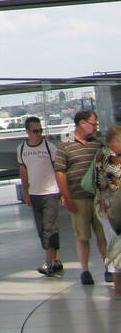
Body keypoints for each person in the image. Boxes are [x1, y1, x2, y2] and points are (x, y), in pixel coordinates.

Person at [55, 109, 110, 285]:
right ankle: (85, 270)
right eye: (93, 123)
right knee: (82, 235)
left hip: (98, 197)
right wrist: (66, 196)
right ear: (82, 123)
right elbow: (60, 172)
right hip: (78, 197)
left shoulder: (97, 143)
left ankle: (108, 267)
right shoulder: (65, 145)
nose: (95, 127)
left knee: (103, 235)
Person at [17, 116, 63, 276]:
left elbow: (58, 170)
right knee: (42, 229)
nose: (39, 134)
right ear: (28, 132)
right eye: (35, 131)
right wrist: (26, 193)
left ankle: (48, 263)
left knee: (50, 228)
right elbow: (23, 172)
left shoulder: (49, 147)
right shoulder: (22, 149)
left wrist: (62, 192)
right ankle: (56, 259)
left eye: (40, 130)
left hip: (51, 192)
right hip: (35, 193)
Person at [92, 125, 121, 298]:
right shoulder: (109, 156)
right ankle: (117, 286)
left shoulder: (103, 153)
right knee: (115, 244)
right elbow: (114, 184)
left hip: (108, 207)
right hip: (111, 209)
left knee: (115, 244)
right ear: (113, 141)